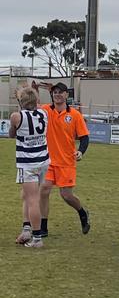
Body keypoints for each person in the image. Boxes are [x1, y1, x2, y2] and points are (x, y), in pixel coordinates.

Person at [32, 81, 90, 236]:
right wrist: (35, 90)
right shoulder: (45, 110)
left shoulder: (75, 115)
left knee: (66, 195)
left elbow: (84, 137)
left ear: (66, 95)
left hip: (66, 162)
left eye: (60, 92)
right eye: (55, 92)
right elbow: (32, 106)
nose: (57, 94)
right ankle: (43, 227)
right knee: (43, 190)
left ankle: (82, 212)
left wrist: (80, 151)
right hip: (48, 161)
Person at [9, 87, 49, 248]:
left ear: (21, 102)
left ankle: (37, 238)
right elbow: (35, 107)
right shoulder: (44, 114)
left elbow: (12, 134)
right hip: (43, 161)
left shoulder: (16, 117)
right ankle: (26, 229)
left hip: (27, 163)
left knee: (32, 199)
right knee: (27, 195)